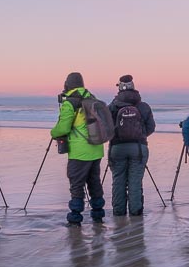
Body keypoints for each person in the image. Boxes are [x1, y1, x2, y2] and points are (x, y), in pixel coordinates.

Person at [51, 72, 106, 225]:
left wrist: (53, 133)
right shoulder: (92, 99)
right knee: (94, 181)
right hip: (96, 148)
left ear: (67, 85)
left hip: (79, 152)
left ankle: (75, 217)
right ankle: (98, 214)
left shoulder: (70, 103)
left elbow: (63, 128)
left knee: (76, 183)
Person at [108, 74, 156, 216]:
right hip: (138, 148)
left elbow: (105, 126)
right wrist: (139, 136)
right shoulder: (143, 106)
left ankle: (119, 212)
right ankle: (135, 212)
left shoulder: (112, 106)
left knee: (118, 179)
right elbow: (151, 127)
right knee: (135, 180)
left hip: (117, 148)